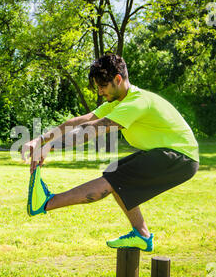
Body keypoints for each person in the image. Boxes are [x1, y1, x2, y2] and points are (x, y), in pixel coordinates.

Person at [21, 54, 199, 251]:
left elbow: (91, 129)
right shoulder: (118, 101)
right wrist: (41, 139)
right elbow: (81, 121)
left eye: (102, 86)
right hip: (173, 154)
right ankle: (142, 235)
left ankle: (46, 203)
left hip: (180, 156)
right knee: (116, 177)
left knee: (112, 181)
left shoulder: (137, 102)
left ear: (118, 79)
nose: (99, 91)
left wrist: (50, 146)